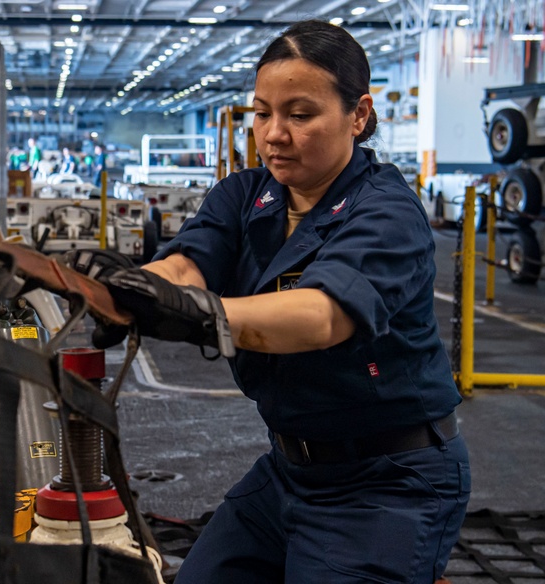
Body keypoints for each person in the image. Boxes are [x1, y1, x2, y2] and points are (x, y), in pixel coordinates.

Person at [71, 20, 469, 583]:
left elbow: (319, 316)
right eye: (262, 113)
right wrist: (127, 287)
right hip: (291, 472)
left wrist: (199, 313)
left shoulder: (387, 211)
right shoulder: (246, 194)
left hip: (388, 481)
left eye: (300, 115)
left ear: (358, 115)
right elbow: (187, 265)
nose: (273, 134)